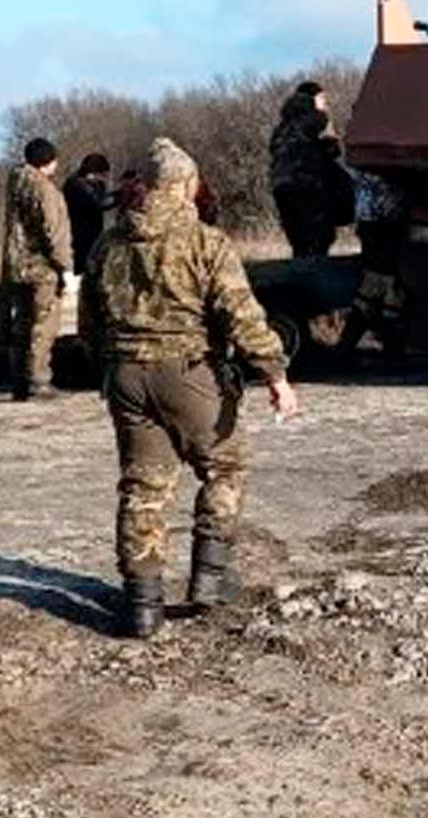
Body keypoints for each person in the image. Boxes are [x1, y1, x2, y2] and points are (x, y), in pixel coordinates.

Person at [79, 136, 300, 639]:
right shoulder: (206, 242)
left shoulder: (109, 243)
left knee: (143, 485)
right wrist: (275, 375)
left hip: (126, 375)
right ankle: (210, 577)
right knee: (225, 466)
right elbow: (241, 314)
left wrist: (108, 369)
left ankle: (142, 605)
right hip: (188, 373)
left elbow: (88, 322)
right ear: (183, 186)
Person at [0, 136, 72, 401]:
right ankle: (38, 381)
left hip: (16, 266)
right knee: (43, 325)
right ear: (48, 161)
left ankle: (19, 382)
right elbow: (53, 232)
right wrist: (64, 265)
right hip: (42, 269)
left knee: (21, 325)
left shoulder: (16, 184)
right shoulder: (45, 190)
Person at [268, 81, 351, 257]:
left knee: (299, 240)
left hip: (281, 186)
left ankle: (299, 274)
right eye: (322, 98)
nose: (325, 103)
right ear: (314, 98)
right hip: (309, 185)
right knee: (318, 238)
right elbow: (333, 150)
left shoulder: (281, 127)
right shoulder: (319, 118)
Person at [338, 167, 408, 359]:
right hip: (385, 224)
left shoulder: (357, 162)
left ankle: (346, 347)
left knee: (373, 285)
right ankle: (392, 351)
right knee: (389, 287)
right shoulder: (386, 169)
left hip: (369, 222)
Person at [64, 152, 111, 274]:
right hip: (79, 233)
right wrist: (121, 196)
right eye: (102, 174)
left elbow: (103, 199)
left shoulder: (95, 185)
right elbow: (98, 202)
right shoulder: (76, 184)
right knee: (81, 266)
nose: (104, 178)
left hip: (94, 231)